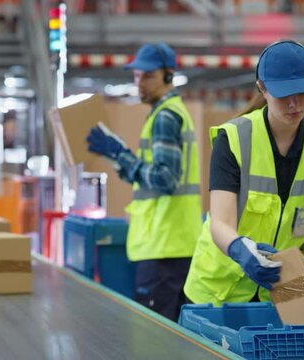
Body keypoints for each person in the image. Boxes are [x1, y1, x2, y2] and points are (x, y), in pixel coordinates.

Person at [184, 40, 304, 306]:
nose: (295, 104)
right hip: (216, 292)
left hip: (282, 293)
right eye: (284, 94)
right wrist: (241, 250)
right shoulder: (235, 139)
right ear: (262, 87)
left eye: (303, 93)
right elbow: (220, 223)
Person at [86, 43, 202, 321]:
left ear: (168, 76)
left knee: (155, 340)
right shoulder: (168, 113)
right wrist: (120, 157)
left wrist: (122, 156)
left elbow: (165, 178)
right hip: (173, 244)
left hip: (164, 247)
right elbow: (152, 176)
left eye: (147, 76)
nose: (140, 84)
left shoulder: (164, 117)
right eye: (137, 76)